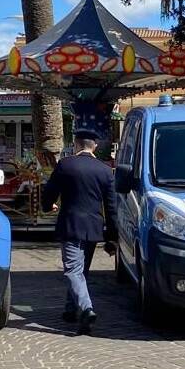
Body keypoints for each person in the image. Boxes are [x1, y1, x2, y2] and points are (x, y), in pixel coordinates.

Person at [41, 129, 118, 335]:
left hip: (71, 224)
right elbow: (112, 208)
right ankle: (70, 309)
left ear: (76, 144)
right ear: (95, 146)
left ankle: (86, 309)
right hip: (93, 227)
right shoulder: (105, 171)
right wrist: (112, 237)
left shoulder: (66, 165)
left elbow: (49, 192)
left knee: (73, 271)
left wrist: (48, 206)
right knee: (81, 271)